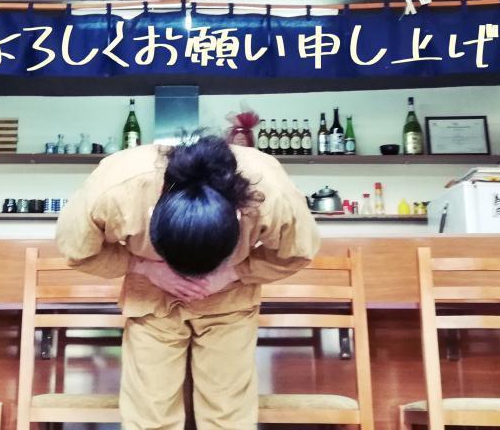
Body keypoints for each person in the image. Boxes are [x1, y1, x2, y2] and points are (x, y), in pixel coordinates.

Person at [56, 136, 320, 430]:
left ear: (237, 215)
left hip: (229, 297)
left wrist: (234, 272)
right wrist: (143, 266)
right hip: (152, 296)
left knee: (227, 416)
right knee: (150, 415)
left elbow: (297, 251)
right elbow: (77, 249)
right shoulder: (116, 187)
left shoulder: (270, 193)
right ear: (154, 215)